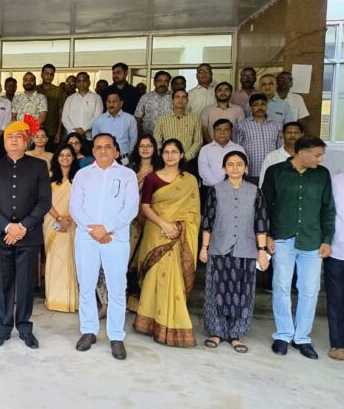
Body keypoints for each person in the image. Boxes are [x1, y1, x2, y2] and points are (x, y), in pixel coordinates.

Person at [263, 136, 335, 360]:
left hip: (312, 240)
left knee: (310, 290)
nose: (320, 159)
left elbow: (328, 208)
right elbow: (265, 206)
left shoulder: (322, 175)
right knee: (281, 286)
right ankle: (283, 334)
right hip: (283, 237)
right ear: (301, 153)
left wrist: (327, 239)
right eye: (317, 155)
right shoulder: (276, 172)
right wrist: (267, 235)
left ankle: (302, 337)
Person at [0, 121, 52, 349]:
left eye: (18, 137)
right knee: (3, 283)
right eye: (9, 137)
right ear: (4, 143)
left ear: (26, 141)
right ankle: (3, 327)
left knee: (25, 284)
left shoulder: (39, 166)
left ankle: (24, 327)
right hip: (2, 235)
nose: (13, 140)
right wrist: (7, 227)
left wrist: (23, 227)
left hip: (28, 236)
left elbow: (44, 202)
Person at [70, 133, 139, 360]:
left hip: (115, 238)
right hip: (87, 238)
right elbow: (75, 208)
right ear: (93, 151)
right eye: (98, 147)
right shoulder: (82, 175)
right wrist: (94, 231)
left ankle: (116, 336)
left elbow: (131, 208)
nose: (102, 151)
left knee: (117, 287)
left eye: (108, 147)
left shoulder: (127, 175)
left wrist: (106, 228)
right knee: (86, 285)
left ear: (116, 151)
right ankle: (88, 331)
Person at [133, 139, 201, 347]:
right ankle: (149, 322)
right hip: (156, 233)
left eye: (174, 152)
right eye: (166, 152)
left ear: (182, 155)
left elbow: (194, 212)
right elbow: (145, 207)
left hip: (179, 235)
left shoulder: (189, 181)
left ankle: (172, 323)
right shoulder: (152, 178)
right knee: (153, 277)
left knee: (174, 279)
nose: (170, 156)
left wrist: (178, 227)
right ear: (161, 155)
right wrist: (163, 224)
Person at [200, 150, 269, 353]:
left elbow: (261, 223)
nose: (235, 168)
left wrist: (262, 250)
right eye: (230, 164)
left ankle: (236, 334)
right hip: (219, 249)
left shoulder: (255, 191)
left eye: (239, 164)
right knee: (216, 290)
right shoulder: (215, 190)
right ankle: (216, 331)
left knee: (243, 293)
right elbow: (208, 221)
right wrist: (204, 248)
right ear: (224, 168)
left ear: (246, 168)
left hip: (246, 250)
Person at [125, 134, 162, 312]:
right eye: (142, 146)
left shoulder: (159, 170)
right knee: (128, 260)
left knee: (143, 260)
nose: (145, 149)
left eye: (149, 146)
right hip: (129, 220)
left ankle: (140, 303)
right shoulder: (129, 169)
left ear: (154, 149)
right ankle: (124, 301)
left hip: (150, 219)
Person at [43, 144, 80, 313]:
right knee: (55, 258)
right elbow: (44, 201)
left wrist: (71, 218)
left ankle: (70, 300)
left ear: (73, 157)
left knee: (70, 258)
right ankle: (54, 299)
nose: (65, 158)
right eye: (61, 155)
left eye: (68, 155)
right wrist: (59, 217)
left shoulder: (79, 178)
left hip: (73, 222)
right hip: (52, 221)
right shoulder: (49, 178)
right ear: (57, 158)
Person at [234, 94, 282, 185]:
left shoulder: (277, 125)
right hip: (251, 172)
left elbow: (280, 149)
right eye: (256, 105)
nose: (260, 107)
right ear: (250, 107)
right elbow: (237, 150)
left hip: (271, 171)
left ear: (267, 106)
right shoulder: (241, 125)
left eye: (263, 104)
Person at [154, 89, 203, 166]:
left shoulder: (195, 118)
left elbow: (198, 141)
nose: (180, 100)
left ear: (187, 101)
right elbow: (157, 140)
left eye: (183, 97)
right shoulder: (162, 119)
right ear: (172, 101)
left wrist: (185, 157)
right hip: (166, 161)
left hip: (188, 162)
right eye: (177, 97)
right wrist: (165, 155)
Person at [197, 119, 245, 189]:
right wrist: (221, 187)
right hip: (210, 189)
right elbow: (204, 172)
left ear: (231, 132)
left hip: (234, 188)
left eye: (226, 130)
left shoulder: (239, 149)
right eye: (218, 130)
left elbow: (243, 169)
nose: (222, 133)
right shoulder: (205, 149)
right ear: (214, 131)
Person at [92, 92, 138, 164]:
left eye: (114, 102)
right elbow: (95, 141)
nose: (111, 104)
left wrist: (127, 156)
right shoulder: (98, 120)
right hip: (104, 158)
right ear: (106, 103)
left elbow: (133, 140)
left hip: (124, 159)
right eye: (109, 102)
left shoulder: (130, 119)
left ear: (121, 103)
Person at [328, 172, 344, 360]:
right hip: (336, 249)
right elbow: (326, 211)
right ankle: (338, 343)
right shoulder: (336, 180)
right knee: (336, 299)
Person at [259, 122, 304, 187]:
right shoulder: (271, 157)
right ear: (282, 135)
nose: (293, 135)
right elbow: (263, 181)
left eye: (296, 133)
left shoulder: (308, 156)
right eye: (289, 132)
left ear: (302, 135)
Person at [62, 71, 102, 140]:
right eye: (79, 81)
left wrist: (84, 129)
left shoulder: (96, 98)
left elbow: (98, 117)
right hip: (72, 138)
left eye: (84, 81)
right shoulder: (70, 99)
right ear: (76, 83)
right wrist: (74, 132)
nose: (81, 83)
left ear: (89, 82)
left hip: (89, 137)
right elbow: (64, 118)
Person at [36, 64, 66, 146]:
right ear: (41, 74)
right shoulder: (35, 90)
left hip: (52, 131)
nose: (49, 76)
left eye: (51, 74)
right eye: (46, 73)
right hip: (36, 131)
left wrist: (58, 132)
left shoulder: (58, 91)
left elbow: (61, 112)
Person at [134, 71, 172, 135]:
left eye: (166, 81)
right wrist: (138, 136)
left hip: (169, 136)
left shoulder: (174, 97)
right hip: (149, 136)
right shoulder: (145, 97)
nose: (162, 83)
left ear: (168, 83)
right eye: (159, 81)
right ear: (154, 82)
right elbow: (138, 118)